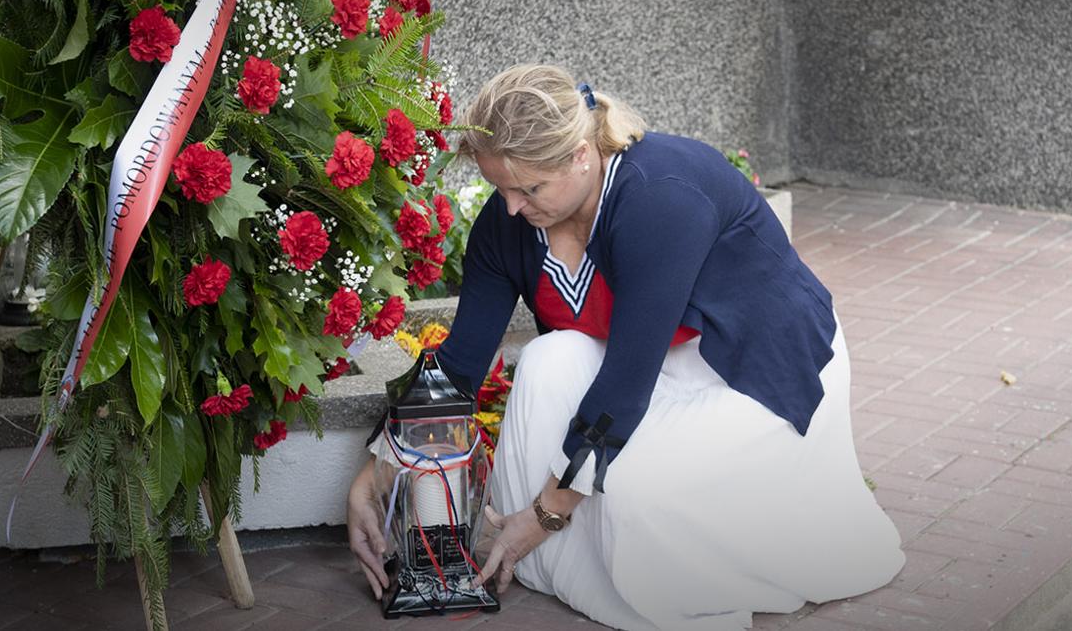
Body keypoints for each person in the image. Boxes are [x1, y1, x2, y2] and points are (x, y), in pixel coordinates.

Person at [346, 64, 903, 630]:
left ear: (581, 156)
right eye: (500, 188)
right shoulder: (509, 221)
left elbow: (623, 385)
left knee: (634, 497)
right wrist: (376, 473)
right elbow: (460, 365)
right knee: (545, 361)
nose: (510, 208)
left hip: (753, 367)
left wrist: (546, 512)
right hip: (643, 367)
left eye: (529, 188)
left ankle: (608, 552)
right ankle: (562, 558)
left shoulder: (659, 198)